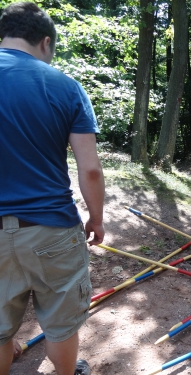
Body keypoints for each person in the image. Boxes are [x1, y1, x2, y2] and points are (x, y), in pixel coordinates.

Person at [0, 3, 105, 375]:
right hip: (52, 228)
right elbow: (89, 169)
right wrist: (96, 218)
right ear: (45, 41)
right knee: (61, 322)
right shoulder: (64, 86)